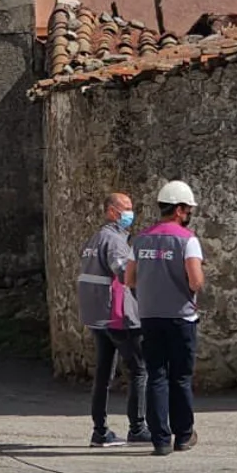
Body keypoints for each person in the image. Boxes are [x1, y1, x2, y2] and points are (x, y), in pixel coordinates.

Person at [127, 180, 206, 457]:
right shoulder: (188, 240)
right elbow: (195, 281)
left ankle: (160, 440)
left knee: (156, 377)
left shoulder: (141, 239)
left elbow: (129, 278)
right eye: (188, 210)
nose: (189, 214)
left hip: (149, 317)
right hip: (181, 318)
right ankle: (183, 435)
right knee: (180, 377)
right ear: (180, 209)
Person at [80, 191, 148, 448]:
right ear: (111, 211)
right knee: (139, 370)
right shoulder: (115, 241)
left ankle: (100, 431)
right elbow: (123, 274)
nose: (130, 212)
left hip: (97, 316)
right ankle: (138, 428)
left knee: (103, 373)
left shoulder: (94, 239)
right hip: (117, 316)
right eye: (126, 208)